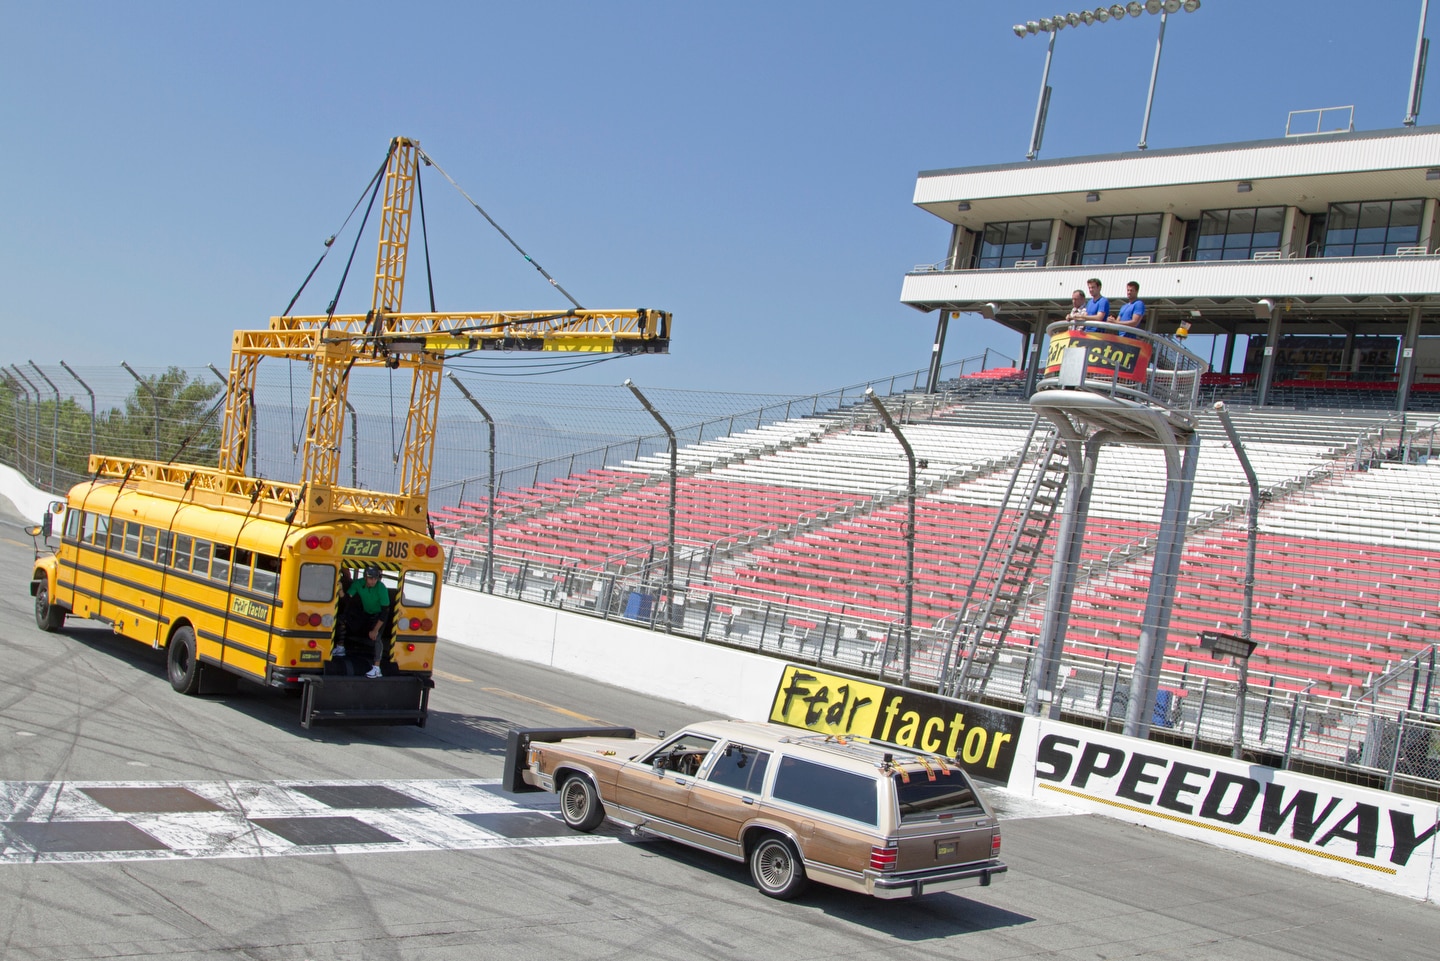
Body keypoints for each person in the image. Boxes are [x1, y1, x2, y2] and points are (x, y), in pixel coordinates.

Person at [343, 564, 390, 678]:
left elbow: (385, 611)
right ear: (365, 577)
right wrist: (340, 589)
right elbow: (347, 599)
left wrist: (375, 629)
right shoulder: (358, 584)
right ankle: (340, 646)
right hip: (366, 613)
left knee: (376, 637)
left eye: (375, 578)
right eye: (371, 578)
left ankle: (377, 668)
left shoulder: (381, 588)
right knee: (344, 618)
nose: (373, 581)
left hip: (379, 615)